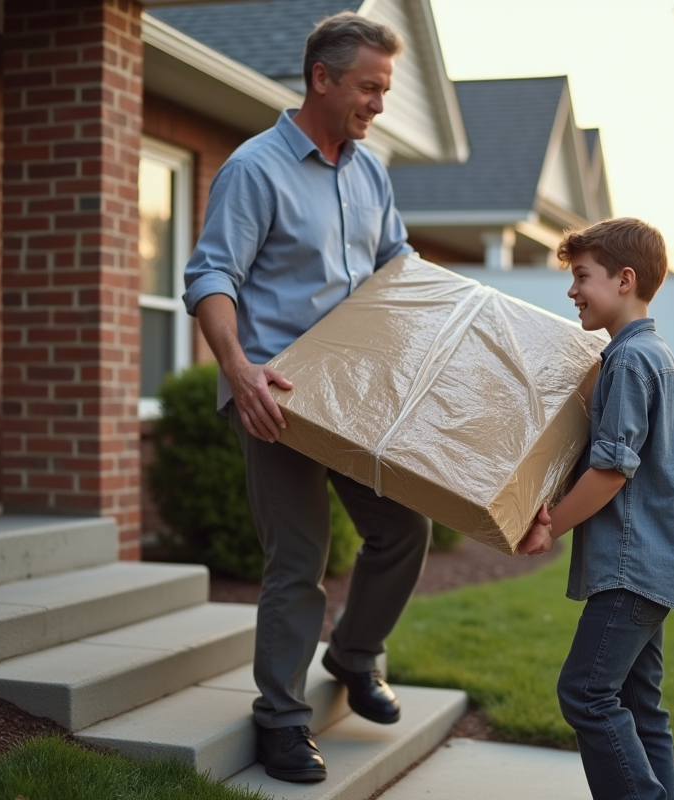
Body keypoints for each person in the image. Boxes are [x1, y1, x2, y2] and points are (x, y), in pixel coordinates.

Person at [181, 13, 431, 785]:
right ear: (321, 77)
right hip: (279, 395)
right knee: (298, 559)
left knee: (403, 530)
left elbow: (396, 261)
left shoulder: (369, 171)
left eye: (385, 90)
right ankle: (281, 720)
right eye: (369, 87)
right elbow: (210, 277)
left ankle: (353, 655)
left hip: (354, 392)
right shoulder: (255, 168)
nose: (379, 105)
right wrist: (241, 369)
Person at [516, 218, 674, 800]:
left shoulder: (627, 363)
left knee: (586, 694)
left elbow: (610, 472)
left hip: (630, 569)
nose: (572, 290)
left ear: (625, 280)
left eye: (582, 277)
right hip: (657, 567)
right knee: (638, 707)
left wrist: (551, 524)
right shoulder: (655, 356)